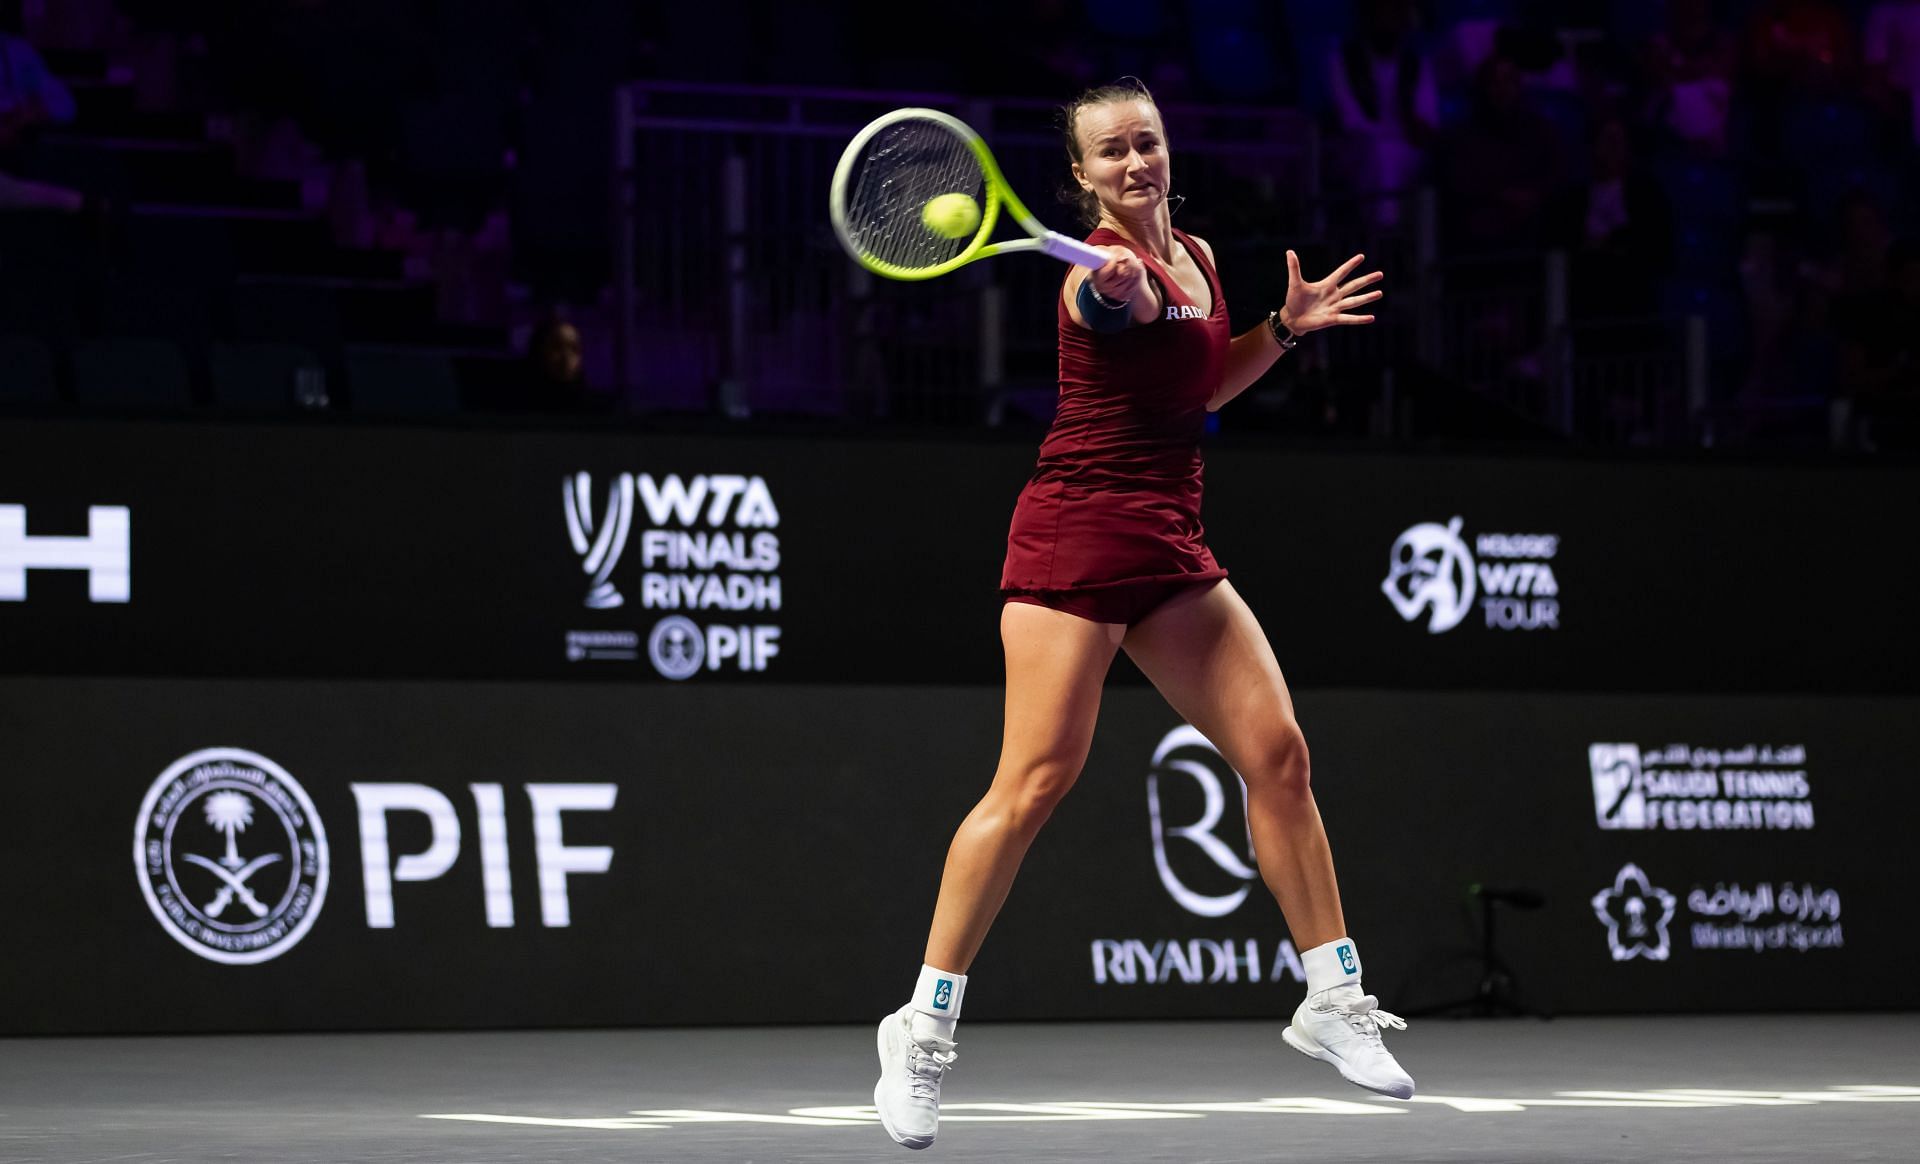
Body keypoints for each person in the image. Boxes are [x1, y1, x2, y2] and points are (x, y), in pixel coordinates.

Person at [871, 80, 1407, 1152]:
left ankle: (1330, 999)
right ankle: (920, 1028)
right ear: (1081, 178)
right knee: (1034, 783)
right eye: (1110, 153)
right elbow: (1113, 312)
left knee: (1280, 756)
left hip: (1168, 544)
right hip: (1074, 538)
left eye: (1146, 143)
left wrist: (1281, 332)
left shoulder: (1202, 258)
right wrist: (1117, 290)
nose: (1134, 164)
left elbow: (1200, 390)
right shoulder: (1092, 280)